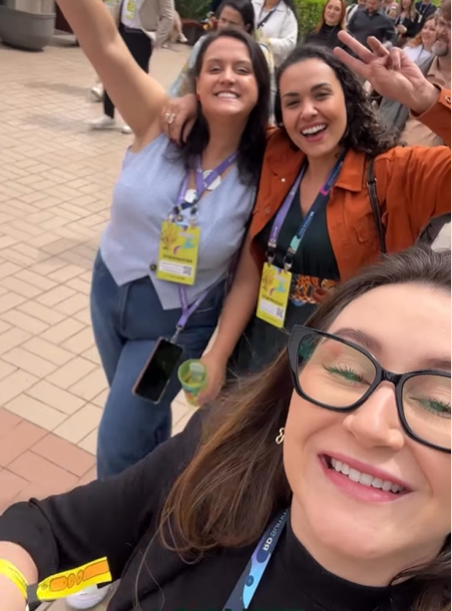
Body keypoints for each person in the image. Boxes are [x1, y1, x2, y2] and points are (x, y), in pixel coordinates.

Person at [0, 246, 450, 611]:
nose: (371, 424)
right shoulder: (220, 452)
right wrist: (11, 579)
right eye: (348, 370)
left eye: (439, 403)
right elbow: (52, 532)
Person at [162, 30, 450, 402]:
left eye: (321, 94)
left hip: (336, 375)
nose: (308, 111)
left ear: (348, 98)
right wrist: (192, 101)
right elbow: (253, 265)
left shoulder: (398, 173)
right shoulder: (278, 155)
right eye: (292, 102)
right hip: (253, 360)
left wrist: (425, 98)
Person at [90, 0, 174, 134]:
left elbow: (168, 16)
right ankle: (108, 115)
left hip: (142, 36)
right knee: (111, 73)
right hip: (122, 31)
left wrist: (157, 39)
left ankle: (135, 119)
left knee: (137, 80)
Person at [168, 0, 275, 101]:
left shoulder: (261, 53)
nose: (225, 27)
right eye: (223, 20)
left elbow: (269, 94)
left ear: (246, 27)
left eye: (233, 23)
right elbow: (184, 81)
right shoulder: (204, 45)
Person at [380, 0, 451, 145]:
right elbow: (387, 118)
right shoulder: (417, 71)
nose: (441, 32)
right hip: (396, 155)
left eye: (449, 26)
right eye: (440, 23)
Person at [252, 0, 298, 66]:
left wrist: (269, 42)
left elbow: (290, 44)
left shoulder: (287, 14)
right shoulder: (253, 3)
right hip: (246, 54)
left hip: (267, 64)